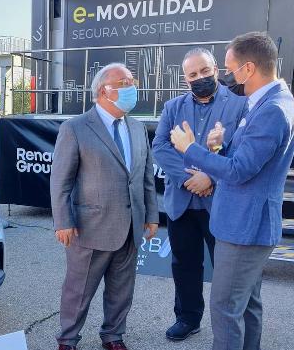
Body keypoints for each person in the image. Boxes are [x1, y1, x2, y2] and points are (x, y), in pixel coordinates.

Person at [170, 32, 294, 350]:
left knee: (225, 310)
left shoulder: (271, 110)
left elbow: (239, 172)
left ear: (249, 68)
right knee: (247, 305)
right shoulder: (268, 102)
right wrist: (219, 146)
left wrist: (192, 149)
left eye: (230, 68)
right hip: (244, 225)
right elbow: (244, 160)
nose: (228, 76)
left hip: (243, 229)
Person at [51, 63, 159, 350]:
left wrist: (151, 216)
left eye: (132, 81)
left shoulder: (137, 127)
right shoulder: (75, 128)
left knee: (121, 289)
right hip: (90, 227)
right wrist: (63, 221)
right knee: (79, 290)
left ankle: (113, 336)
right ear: (104, 91)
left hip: (130, 226)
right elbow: (60, 180)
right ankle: (68, 339)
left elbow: (145, 176)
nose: (132, 87)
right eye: (124, 82)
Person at [152, 48, 247, 341]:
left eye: (204, 71)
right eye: (192, 74)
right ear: (185, 79)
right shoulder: (172, 107)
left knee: (227, 270)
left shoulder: (240, 106)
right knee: (184, 265)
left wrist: (210, 177)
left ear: (216, 69)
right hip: (182, 202)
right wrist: (188, 178)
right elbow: (160, 147)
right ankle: (188, 318)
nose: (200, 78)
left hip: (221, 203)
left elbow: (241, 152)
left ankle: (229, 326)